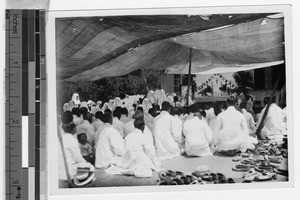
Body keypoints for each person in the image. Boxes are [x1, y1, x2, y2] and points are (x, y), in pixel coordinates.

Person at [58, 112, 87, 180]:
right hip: (67, 170)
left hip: (58, 168)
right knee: (88, 166)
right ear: (73, 129)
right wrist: (84, 162)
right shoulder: (71, 139)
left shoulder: (60, 130)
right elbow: (77, 157)